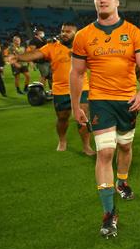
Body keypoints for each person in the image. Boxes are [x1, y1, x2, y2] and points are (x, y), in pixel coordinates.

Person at [70, 0, 140, 238]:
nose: (101, 1)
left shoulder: (133, 31)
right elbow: (76, 73)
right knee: (105, 153)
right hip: (100, 101)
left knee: (125, 147)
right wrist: (76, 106)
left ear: (117, 1)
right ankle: (109, 213)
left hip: (127, 101)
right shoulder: (83, 36)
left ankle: (123, 180)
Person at [8, 23, 95, 155]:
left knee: (83, 118)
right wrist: (19, 57)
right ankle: (62, 140)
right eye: (62, 31)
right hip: (60, 90)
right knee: (62, 118)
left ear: (76, 34)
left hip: (81, 88)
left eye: (68, 31)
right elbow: (36, 54)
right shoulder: (52, 47)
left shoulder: (84, 47)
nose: (64, 33)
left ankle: (86, 146)